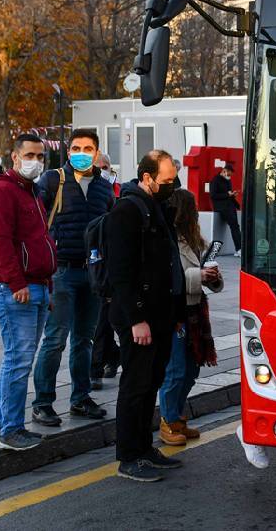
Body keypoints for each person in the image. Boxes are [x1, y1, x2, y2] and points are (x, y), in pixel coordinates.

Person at [107, 150, 185, 482]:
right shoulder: (127, 210)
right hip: (139, 318)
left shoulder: (158, 207)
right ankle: (128, 455)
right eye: (167, 180)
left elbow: (168, 264)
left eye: (174, 180)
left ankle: (144, 447)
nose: (172, 186)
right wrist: (136, 318)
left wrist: (176, 312)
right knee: (136, 385)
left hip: (162, 314)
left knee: (151, 381)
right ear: (147, 177)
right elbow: (121, 273)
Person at [30, 129, 114, 427]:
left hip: (92, 273)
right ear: (68, 152)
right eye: (76, 147)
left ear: (96, 152)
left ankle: (80, 397)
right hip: (61, 272)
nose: (82, 152)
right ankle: (42, 403)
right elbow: (34, 220)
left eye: (88, 148)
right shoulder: (53, 180)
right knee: (55, 339)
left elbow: (110, 230)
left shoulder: (105, 188)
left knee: (84, 340)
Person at [0, 134, 55, 451]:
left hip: (36, 285)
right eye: (29, 155)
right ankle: (11, 429)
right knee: (18, 361)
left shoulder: (31, 191)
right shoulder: (2, 191)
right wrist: (17, 284)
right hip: (13, 288)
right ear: (14, 156)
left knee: (17, 360)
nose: (35, 161)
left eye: (39, 156)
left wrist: (44, 285)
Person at [157, 189, 221, 446]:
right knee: (175, 370)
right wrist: (199, 276)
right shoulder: (167, 239)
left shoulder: (194, 239)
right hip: (175, 311)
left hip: (195, 309)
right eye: (192, 208)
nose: (195, 213)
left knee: (192, 368)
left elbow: (202, 274)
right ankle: (168, 420)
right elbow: (165, 279)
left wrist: (213, 277)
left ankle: (177, 416)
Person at [89, 153, 121, 389]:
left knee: (102, 322)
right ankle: (112, 356)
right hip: (89, 262)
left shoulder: (117, 192)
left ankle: (95, 369)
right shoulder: (87, 194)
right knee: (101, 322)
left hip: (107, 266)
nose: (103, 171)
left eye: (106, 167)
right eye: (99, 168)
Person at [209, 163, 242, 258]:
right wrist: (228, 195)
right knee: (235, 226)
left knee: (235, 226)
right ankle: (238, 249)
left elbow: (228, 193)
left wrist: (232, 196)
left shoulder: (228, 181)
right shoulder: (215, 181)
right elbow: (213, 195)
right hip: (222, 208)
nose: (229, 176)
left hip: (230, 206)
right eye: (229, 174)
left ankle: (239, 248)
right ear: (224, 171)